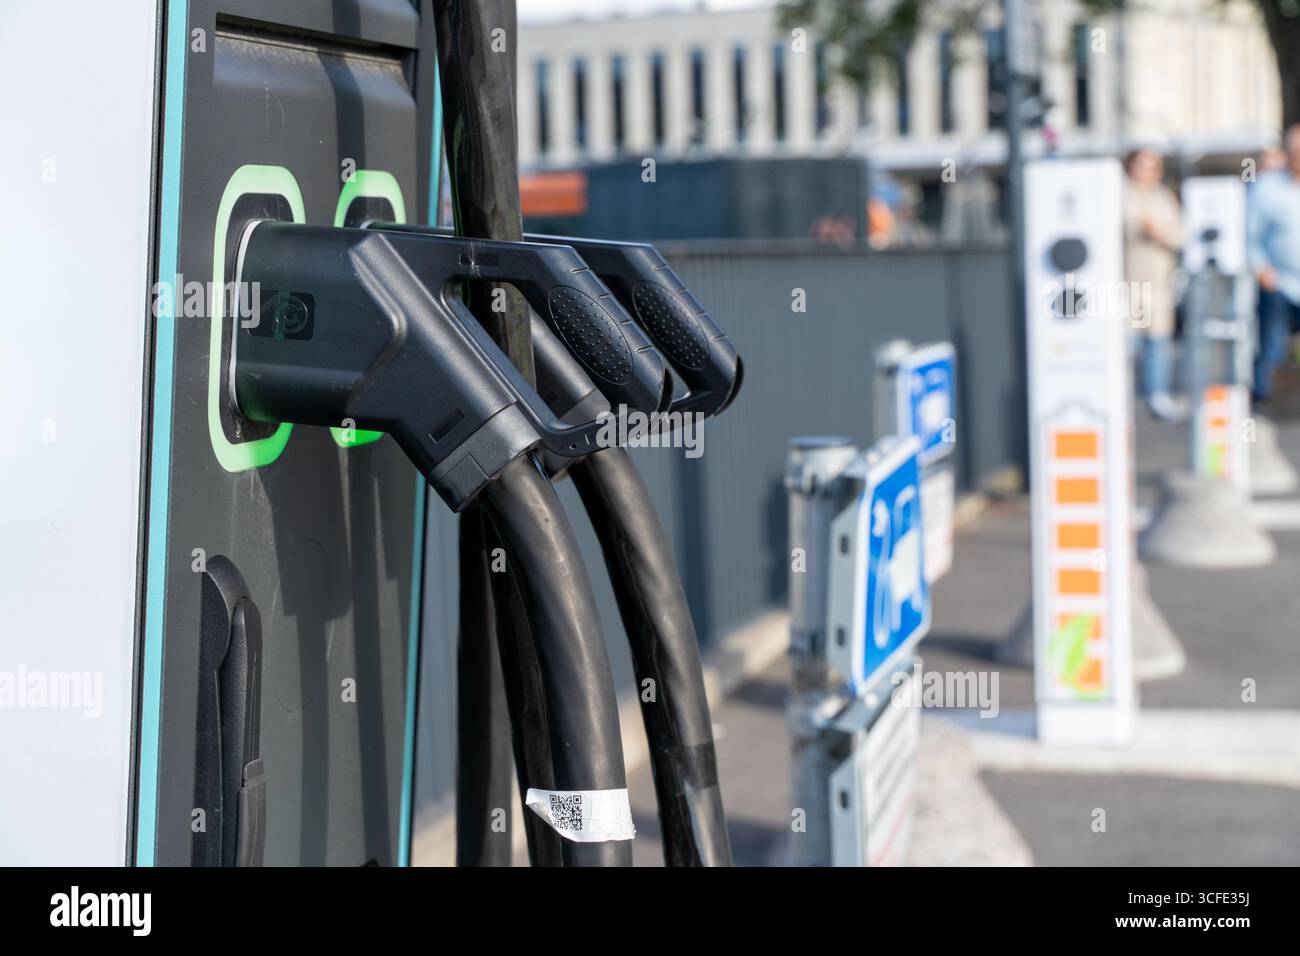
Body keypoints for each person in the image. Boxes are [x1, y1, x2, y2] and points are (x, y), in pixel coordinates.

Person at [1123, 148, 1184, 419]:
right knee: (1128, 343)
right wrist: (1150, 229)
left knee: (1158, 343)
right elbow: (1131, 225)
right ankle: (1123, 395)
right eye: (1144, 166)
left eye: (1154, 167)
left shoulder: (1163, 196)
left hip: (1159, 281)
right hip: (1129, 281)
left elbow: (1179, 233)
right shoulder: (1120, 194)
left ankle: (1156, 394)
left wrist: (1159, 232)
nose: (1150, 173)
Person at [1247, 125, 1300, 403]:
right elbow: (1248, 234)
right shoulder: (1267, 187)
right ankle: (1265, 398)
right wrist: (1260, 268)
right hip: (1279, 282)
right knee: (1272, 344)